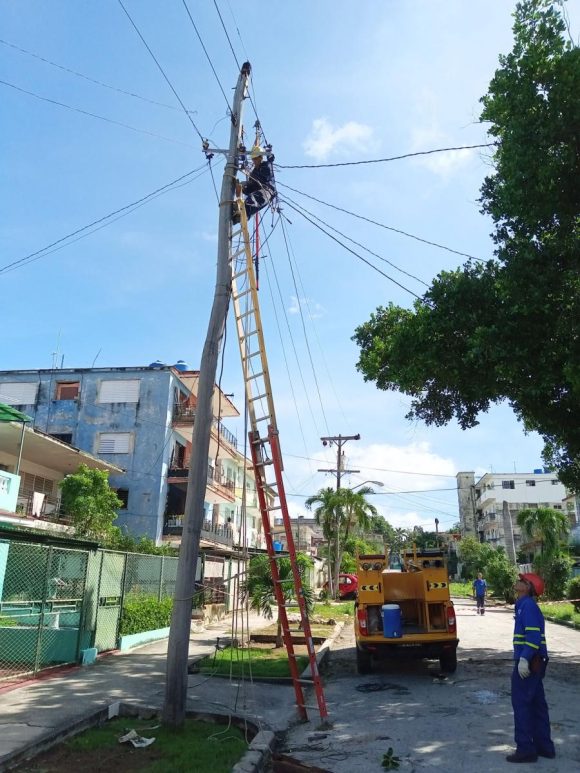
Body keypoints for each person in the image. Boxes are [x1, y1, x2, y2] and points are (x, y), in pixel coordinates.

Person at [506, 572, 556, 764]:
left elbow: (533, 636)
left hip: (530, 662)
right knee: (537, 704)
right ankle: (544, 747)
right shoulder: (524, 605)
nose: (517, 581)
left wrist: (524, 659)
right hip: (537, 661)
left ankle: (526, 749)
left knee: (522, 704)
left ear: (527, 587)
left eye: (521, 580)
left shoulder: (527, 606)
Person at [233, 145, 275, 223]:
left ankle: (243, 213)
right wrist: (243, 187)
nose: (254, 161)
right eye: (253, 159)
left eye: (256, 158)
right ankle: (237, 216)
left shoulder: (266, 165)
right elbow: (250, 188)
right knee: (251, 198)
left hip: (267, 190)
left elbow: (269, 164)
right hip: (258, 190)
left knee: (254, 199)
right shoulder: (253, 173)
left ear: (261, 157)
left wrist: (269, 154)